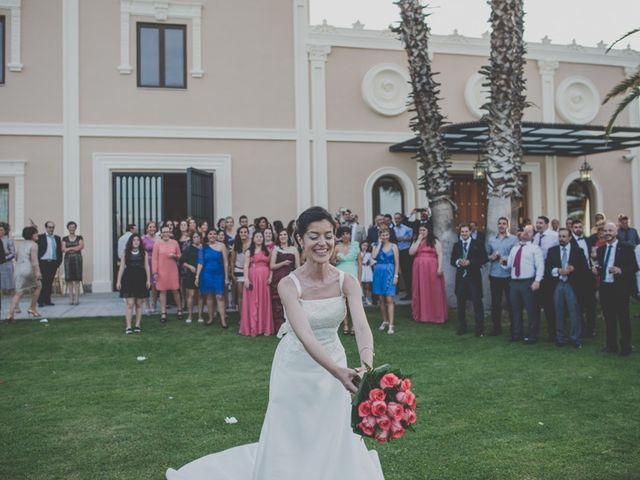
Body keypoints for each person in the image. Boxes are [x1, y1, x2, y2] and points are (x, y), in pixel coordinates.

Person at [165, 206, 382, 480]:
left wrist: (366, 367)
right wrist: (337, 372)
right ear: (300, 240)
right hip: (296, 365)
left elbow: (361, 325)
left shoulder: (346, 281)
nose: (322, 243)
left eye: (328, 236)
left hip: (335, 361)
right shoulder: (289, 284)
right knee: (291, 427)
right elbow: (304, 334)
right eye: (314, 236)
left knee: (331, 425)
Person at [595, 222, 637, 356]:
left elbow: (635, 267)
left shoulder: (626, 247)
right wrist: (597, 269)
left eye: (610, 231)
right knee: (609, 318)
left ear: (616, 232)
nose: (607, 233)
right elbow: (602, 266)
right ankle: (611, 346)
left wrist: (621, 270)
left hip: (620, 288)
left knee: (623, 318)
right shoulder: (601, 249)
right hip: (605, 287)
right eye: (605, 231)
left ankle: (626, 347)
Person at [545, 228, 589, 348]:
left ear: (570, 238)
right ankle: (560, 338)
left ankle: (576, 339)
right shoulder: (552, 251)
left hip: (572, 284)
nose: (561, 239)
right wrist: (557, 270)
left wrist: (574, 269)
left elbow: (585, 269)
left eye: (564, 236)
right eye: (560, 236)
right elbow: (547, 268)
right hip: (558, 283)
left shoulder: (578, 251)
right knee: (558, 311)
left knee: (574, 311)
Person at [505, 225, 544, 343]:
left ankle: (532, 335)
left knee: (531, 310)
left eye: (529, 232)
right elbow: (509, 265)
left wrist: (537, 280)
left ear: (533, 235)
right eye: (524, 231)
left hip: (528, 282)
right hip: (514, 282)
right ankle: (517, 334)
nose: (526, 233)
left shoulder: (535, 248)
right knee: (515, 310)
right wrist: (503, 262)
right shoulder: (514, 248)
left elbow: (540, 266)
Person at [451, 224, 487, 336]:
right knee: (460, 304)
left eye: (466, 231)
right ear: (460, 233)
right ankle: (462, 327)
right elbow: (452, 260)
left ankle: (479, 329)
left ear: (470, 232)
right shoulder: (457, 245)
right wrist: (458, 262)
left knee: (477, 303)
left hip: (474, 278)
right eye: (462, 232)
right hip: (461, 278)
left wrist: (470, 262)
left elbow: (484, 259)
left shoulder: (478, 244)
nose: (464, 233)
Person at [486, 217, 518, 336]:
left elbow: (516, 257)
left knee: (511, 303)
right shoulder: (491, 240)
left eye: (504, 224)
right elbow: (487, 255)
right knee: (496, 303)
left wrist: (507, 259)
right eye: (499, 223)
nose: (501, 225)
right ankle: (496, 328)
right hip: (495, 275)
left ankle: (514, 328)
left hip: (509, 275)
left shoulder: (514, 239)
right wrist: (491, 257)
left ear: (508, 226)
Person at [409, 224, 447, 323]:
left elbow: (440, 254)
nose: (422, 232)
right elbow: (411, 252)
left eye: (424, 230)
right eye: (420, 230)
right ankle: (423, 315)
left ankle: (436, 315)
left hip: (432, 267)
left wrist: (440, 268)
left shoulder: (434, 240)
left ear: (428, 231)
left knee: (434, 290)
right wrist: (418, 240)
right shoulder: (416, 240)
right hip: (419, 268)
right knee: (421, 289)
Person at [239, 231, 273, 336]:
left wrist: (270, 277)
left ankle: (264, 327)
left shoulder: (267, 250)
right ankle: (252, 327)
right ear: (253, 239)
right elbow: (245, 266)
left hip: (264, 279)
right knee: (252, 302)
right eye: (257, 237)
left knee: (264, 301)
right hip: (253, 278)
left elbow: (271, 265)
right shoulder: (249, 251)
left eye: (260, 237)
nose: (259, 238)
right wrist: (246, 279)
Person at [116, 234, 150, 334]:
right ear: (131, 241)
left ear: (140, 242)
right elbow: (122, 267)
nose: (136, 242)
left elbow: (147, 267)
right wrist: (118, 281)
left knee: (139, 304)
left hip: (141, 279)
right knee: (130, 304)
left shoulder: (144, 253)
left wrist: (148, 280)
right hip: (128, 279)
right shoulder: (125, 252)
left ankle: (137, 325)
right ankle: (128, 326)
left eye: (138, 240)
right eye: (134, 240)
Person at [7, 226, 42, 321]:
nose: (37, 234)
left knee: (18, 293)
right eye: (35, 233)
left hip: (18, 269)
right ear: (32, 235)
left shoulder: (21, 244)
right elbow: (34, 261)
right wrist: (38, 272)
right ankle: (32, 307)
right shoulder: (34, 245)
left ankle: (10, 314)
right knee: (38, 286)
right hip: (28, 269)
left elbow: (17, 258)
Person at [533, 215, 559, 341]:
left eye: (540, 223)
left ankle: (553, 332)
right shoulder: (536, 236)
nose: (538, 225)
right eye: (537, 223)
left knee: (550, 305)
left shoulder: (554, 236)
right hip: (538, 274)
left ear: (547, 224)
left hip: (550, 275)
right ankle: (535, 332)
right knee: (536, 304)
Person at [195, 229, 229, 327]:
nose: (212, 235)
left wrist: (226, 276)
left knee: (219, 296)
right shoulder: (203, 247)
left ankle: (223, 320)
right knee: (209, 296)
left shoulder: (222, 245)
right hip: (207, 274)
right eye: (210, 234)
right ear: (207, 235)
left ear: (217, 235)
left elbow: (226, 262)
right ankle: (210, 318)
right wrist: (197, 276)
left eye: (214, 234)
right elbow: (200, 262)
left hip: (219, 274)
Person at [570, 219, 597, 338]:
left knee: (591, 304)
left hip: (589, 276)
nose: (578, 229)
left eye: (580, 227)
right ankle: (581, 328)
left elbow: (591, 256)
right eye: (575, 227)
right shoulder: (570, 242)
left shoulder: (587, 239)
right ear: (572, 229)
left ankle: (591, 329)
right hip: (577, 277)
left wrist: (593, 265)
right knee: (579, 304)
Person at [269, 229, 300, 332]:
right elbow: (272, 266)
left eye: (285, 234)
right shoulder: (276, 249)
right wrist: (283, 263)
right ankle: (279, 327)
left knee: (290, 301)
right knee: (278, 301)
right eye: (280, 235)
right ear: (278, 237)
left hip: (290, 277)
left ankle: (291, 325)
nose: (282, 236)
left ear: (288, 236)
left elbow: (297, 266)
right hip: (278, 277)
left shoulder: (294, 249)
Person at [334, 226, 362, 335]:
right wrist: (336, 259)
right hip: (340, 274)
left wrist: (359, 279)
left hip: (353, 274)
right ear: (340, 236)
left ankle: (354, 325)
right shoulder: (336, 247)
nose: (346, 236)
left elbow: (360, 264)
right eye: (343, 234)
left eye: (348, 233)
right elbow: (331, 261)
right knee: (343, 301)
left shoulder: (355, 246)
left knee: (353, 302)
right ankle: (345, 325)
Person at [372, 226, 399, 334]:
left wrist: (396, 276)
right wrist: (379, 244)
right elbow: (374, 256)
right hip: (378, 272)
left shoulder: (394, 246)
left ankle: (391, 324)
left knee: (389, 298)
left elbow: (397, 262)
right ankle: (385, 320)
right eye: (382, 235)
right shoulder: (375, 245)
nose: (385, 236)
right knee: (381, 298)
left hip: (389, 272)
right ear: (380, 236)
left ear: (389, 235)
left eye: (386, 234)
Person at [152, 225, 183, 322]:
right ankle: (163, 313)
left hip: (172, 269)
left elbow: (180, 256)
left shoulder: (175, 242)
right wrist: (155, 272)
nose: (165, 234)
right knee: (162, 291)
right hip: (161, 270)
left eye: (167, 232)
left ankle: (179, 310)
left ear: (170, 233)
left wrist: (175, 256)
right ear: (161, 233)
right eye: (163, 232)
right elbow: (154, 259)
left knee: (175, 290)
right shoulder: (157, 244)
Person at [37, 221, 62, 307]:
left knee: (49, 282)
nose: (51, 229)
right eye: (49, 227)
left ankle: (47, 300)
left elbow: (59, 251)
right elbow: (37, 251)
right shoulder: (40, 237)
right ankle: (40, 301)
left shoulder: (57, 238)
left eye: (52, 227)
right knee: (42, 282)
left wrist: (58, 263)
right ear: (46, 228)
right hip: (43, 262)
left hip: (53, 263)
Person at [180, 232, 204, 324]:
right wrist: (190, 267)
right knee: (191, 295)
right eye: (194, 237)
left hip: (202, 274)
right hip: (190, 274)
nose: (196, 238)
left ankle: (200, 316)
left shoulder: (204, 248)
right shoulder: (188, 249)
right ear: (192, 239)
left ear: (200, 238)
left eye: (197, 236)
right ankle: (190, 315)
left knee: (201, 295)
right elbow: (182, 261)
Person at [62, 221, 84, 305]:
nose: (72, 228)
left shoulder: (79, 237)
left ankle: (77, 299)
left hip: (77, 259)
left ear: (75, 228)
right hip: (68, 260)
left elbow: (81, 246)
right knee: (69, 280)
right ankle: (71, 299)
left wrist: (69, 248)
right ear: (68, 228)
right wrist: (75, 248)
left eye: (73, 227)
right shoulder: (64, 238)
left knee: (77, 279)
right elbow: (63, 249)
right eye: (70, 227)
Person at [393, 212, 414, 300]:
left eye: (398, 218)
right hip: (396, 251)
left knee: (407, 273)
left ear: (401, 219)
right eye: (395, 218)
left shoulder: (408, 229)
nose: (397, 220)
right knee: (399, 272)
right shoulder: (392, 229)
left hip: (406, 252)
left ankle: (410, 293)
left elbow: (412, 239)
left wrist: (404, 238)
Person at [231, 225, 251, 313]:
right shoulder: (236, 245)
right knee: (240, 295)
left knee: (249, 294)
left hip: (249, 271)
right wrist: (232, 273)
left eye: (245, 232)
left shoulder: (252, 243)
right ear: (238, 234)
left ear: (248, 233)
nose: (243, 234)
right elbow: (232, 260)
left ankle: (249, 315)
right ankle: (242, 316)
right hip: (238, 271)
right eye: (241, 232)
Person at [0, 222, 16, 311]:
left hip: (7, 265)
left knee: (11, 286)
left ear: (5, 231)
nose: (0, 231)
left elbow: (12, 253)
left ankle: (16, 306)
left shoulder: (8, 240)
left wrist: (4, 257)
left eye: (1, 230)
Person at [359, 241, 374, 305]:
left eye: (366, 245)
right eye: (363, 245)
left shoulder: (369, 254)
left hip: (367, 269)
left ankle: (367, 298)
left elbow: (372, 262)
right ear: (361, 245)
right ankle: (362, 298)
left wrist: (370, 263)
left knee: (367, 285)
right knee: (361, 285)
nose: (365, 247)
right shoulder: (358, 253)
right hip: (361, 269)